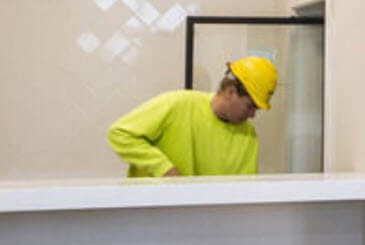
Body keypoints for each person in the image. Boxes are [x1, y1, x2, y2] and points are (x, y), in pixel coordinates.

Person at [106, 56, 278, 177]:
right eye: (250, 106)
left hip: (202, 216)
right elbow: (119, 133)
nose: (252, 115)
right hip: (151, 212)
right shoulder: (177, 104)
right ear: (230, 92)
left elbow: (243, 189)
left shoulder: (247, 134)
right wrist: (163, 168)